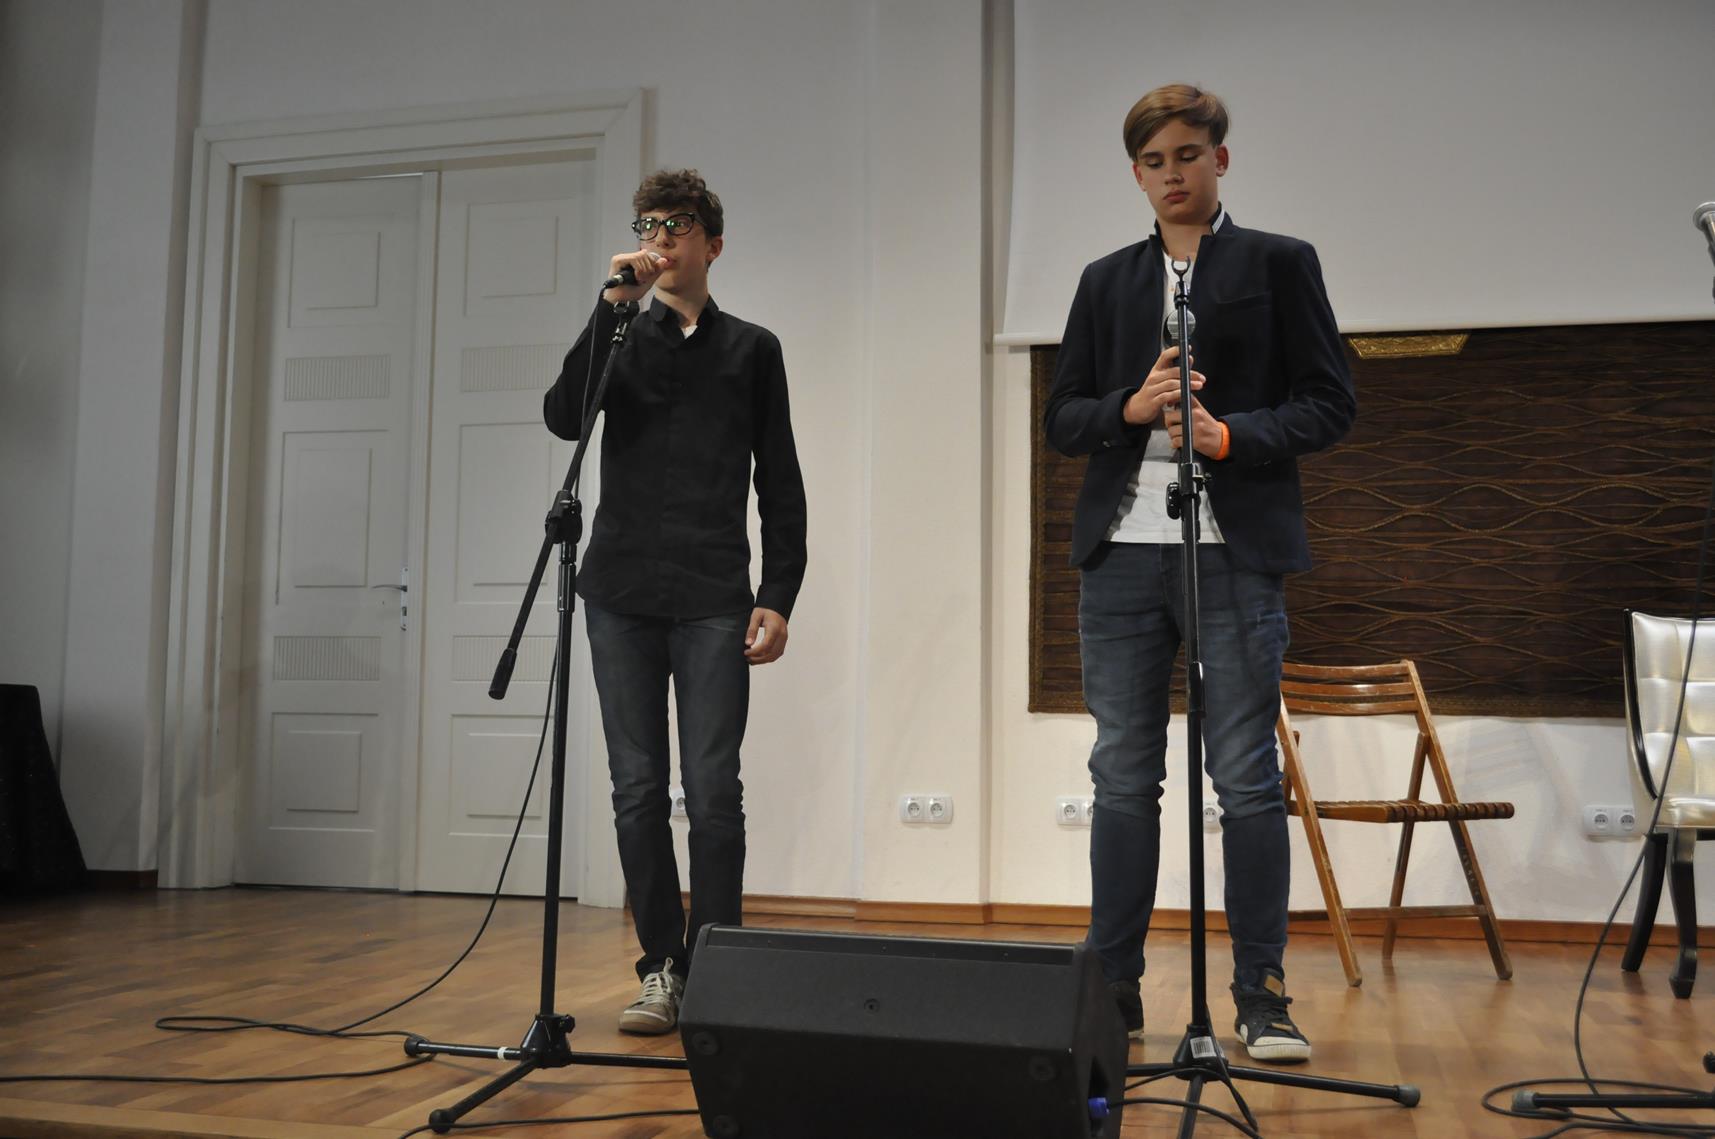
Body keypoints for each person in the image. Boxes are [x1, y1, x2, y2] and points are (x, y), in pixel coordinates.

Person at [1044, 84, 1355, 1062]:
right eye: (1153, 161)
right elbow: (1062, 418)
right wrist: (1128, 410)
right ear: (1134, 174)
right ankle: (1113, 989)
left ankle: (1261, 994)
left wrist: (1229, 436)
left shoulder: (1277, 262)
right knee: (1120, 774)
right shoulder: (1104, 280)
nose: (1171, 174)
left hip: (1233, 554)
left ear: (1219, 157)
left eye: (1187, 154)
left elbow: (1329, 401)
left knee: (1245, 776)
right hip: (1120, 557)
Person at [543, 169, 807, 1035]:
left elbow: (781, 480)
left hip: (712, 593)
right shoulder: (620, 332)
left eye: (677, 224)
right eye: (647, 224)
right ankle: (661, 965)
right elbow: (563, 416)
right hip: (619, 590)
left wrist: (778, 592)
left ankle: (719, 964)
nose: (658, 238)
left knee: (714, 786)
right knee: (636, 786)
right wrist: (607, 309)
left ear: (712, 244)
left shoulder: (752, 349)